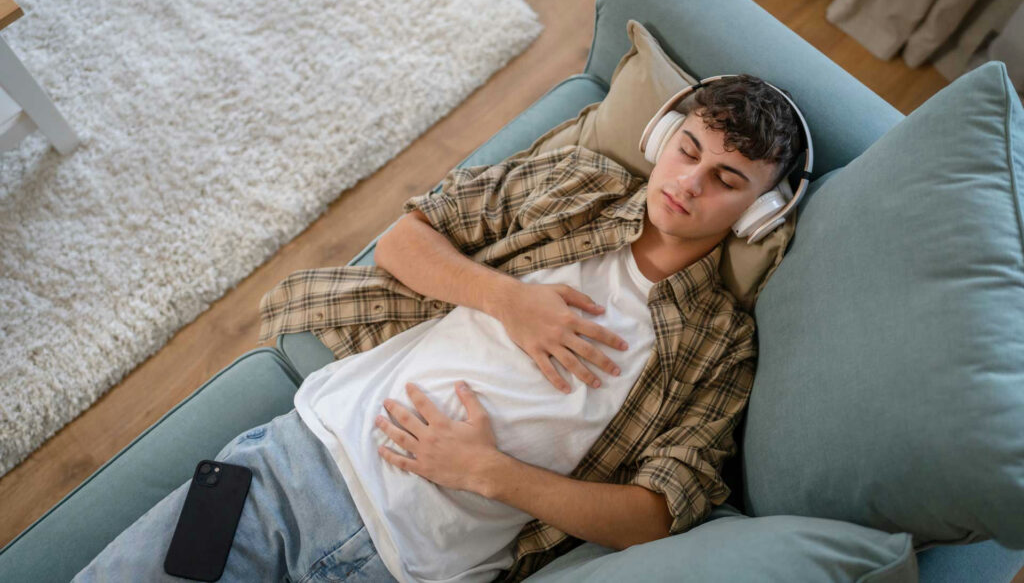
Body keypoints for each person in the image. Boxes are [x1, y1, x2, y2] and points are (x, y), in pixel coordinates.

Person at [73, 74, 803, 583]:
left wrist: (489, 471)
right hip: (294, 472)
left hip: (411, 571)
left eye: (728, 180)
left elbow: (654, 514)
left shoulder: (722, 344)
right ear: (662, 137)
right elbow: (404, 239)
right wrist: (507, 300)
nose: (689, 183)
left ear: (760, 213)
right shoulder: (574, 184)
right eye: (689, 151)